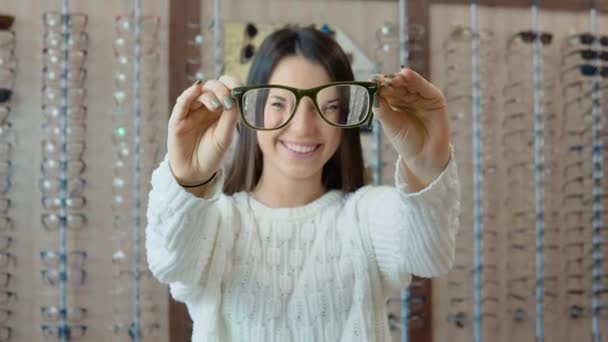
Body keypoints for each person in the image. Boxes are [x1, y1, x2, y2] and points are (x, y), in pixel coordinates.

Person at [146, 26, 459, 342]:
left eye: (328, 107)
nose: (302, 127)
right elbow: (166, 262)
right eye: (280, 103)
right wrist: (188, 178)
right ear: (254, 107)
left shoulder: (364, 217)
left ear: (344, 119)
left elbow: (430, 255)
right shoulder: (216, 225)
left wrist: (425, 165)